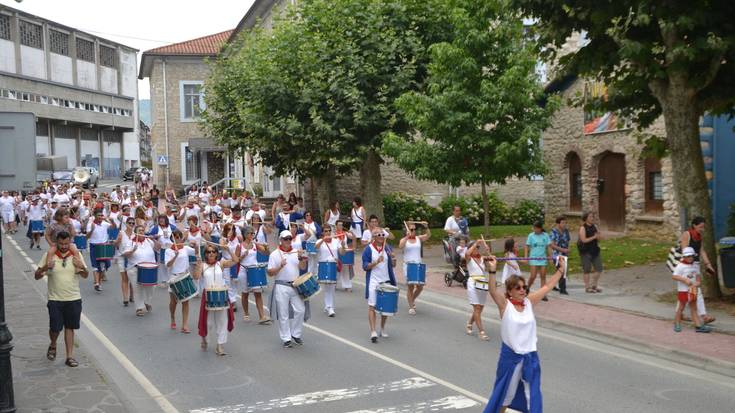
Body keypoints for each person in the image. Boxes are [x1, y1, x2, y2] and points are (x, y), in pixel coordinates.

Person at [483, 256, 567, 413]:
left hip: (530, 357)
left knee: (533, 396)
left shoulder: (529, 302)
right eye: (518, 288)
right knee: (505, 396)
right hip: (510, 358)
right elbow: (493, 290)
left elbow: (548, 286)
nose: (522, 290)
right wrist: (492, 270)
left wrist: (560, 269)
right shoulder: (505, 306)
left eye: (524, 287)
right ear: (509, 292)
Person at [34, 231, 88, 367]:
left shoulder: (76, 255)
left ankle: (69, 356)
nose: (64, 246)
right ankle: (53, 344)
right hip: (55, 299)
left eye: (66, 243)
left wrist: (81, 267)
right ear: (56, 242)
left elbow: (86, 275)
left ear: (70, 242)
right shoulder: (48, 256)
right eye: (61, 243)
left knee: (70, 327)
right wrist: (46, 267)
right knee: (55, 328)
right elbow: (37, 275)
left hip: (73, 298)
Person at [267, 230, 309, 348]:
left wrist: (302, 259)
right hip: (281, 285)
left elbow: (302, 267)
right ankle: (286, 338)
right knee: (283, 313)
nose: (288, 241)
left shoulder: (296, 252)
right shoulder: (274, 254)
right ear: (280, 240)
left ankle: (295, 334)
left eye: (290, 239)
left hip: (295, 285)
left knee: (300, 310)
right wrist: (280, 266)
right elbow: (270, 273)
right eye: (285, 239)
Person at [196, 244, 236, 356]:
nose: (211, 253)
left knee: (222, 321)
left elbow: (235, 260)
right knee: (208, 323)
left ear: (217, 253)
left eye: (213, 251)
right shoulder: (203, 265)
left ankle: (220, 346)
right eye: (208, 252)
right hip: (208, 296)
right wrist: (198, 265)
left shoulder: (221, 263)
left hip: (221, 294)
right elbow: (196, 277)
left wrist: (229, 249)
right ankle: (204, 338)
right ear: (205, 254)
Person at [678, 216, 716, 324]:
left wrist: (708, 264)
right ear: (694, 225)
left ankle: (680, 314)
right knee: (695, 290)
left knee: (685, 290)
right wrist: (690, 266)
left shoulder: (699, 236)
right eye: (700, 227)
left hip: (695, 265)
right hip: (686, 266)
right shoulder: (687, 234)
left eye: (703, 227)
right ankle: (704, 316)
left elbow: (702, 251)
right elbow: (684, 251)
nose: (702, 229)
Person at [362, 227, 397, 343]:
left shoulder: (387, 248)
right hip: (373, 281)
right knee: (372, 306)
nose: (382, 237)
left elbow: (393, 265)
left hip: (386, 280)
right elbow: (365, 266)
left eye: (383, 235)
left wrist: (393, 259)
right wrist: (376, 262)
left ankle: (382, 327)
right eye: (379, 235)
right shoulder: (368, 249)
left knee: (385, 307)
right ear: (374, 237)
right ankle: (373, 331)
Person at [235, 226, 271, 324]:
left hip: (254, 270)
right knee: (245, 293)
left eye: (253, 233)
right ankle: (246, 314)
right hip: (243, 270)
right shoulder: (240, 246)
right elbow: (235, 260)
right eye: (251, 233)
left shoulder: (255, 244)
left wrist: (267, 248)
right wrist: (242, 256)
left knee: (258, 293)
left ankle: (262, 316)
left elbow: (266, 253)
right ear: (246, 235)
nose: (252, 235)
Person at [123, 225, 160, 317]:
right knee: (137, 289)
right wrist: (132, 250)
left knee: (151, 288)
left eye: (143, 230)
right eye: (139, 230)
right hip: (135, 268)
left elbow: (158, 248)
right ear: (135, 232)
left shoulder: (148, 241)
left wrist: (154, 239)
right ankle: (139, 308)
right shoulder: (130, 242)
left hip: (150, 269)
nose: (142, 232)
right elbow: (125, 254)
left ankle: (147, 302)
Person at [672, 247, 712, 333]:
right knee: (681, 308)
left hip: (693, 290)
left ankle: (698, 326)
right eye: (688, 256)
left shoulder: (695, 265)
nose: (690, 258)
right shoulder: (680, 266)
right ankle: (677, 323)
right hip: (683, 290)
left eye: (691, 256)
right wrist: (684, 280)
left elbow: (698, 278)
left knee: (694, 308)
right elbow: (674, 276)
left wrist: (697, 283)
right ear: (684, 257)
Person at [165, 230, 198, 333]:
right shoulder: (168, 251)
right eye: (176, 237)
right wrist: (175, 255)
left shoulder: (186, 248)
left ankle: (184, 325)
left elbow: (196, 253)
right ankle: (172, 318)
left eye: (179, 236)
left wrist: (196, 245)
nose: (178, 238)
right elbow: (168, 265)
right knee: (173, 302)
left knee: (186, 301)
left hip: (185, 276)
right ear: (172, 238)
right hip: (174, 278)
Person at [399, 222, 431, 315]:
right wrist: (406, 237)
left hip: (418, 264)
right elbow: (400, 246)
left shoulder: (418, 238)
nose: (414, 231)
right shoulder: (404, 240)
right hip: (408, 265)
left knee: (420, 287)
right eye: (411, 229)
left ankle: (411, 299)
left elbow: (428, 235)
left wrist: (426, 227)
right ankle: (411, 306)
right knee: (410, 286)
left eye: (414, 229)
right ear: (407, 230)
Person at [465, 238, 491, 341]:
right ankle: (481, 332)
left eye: (478, 247)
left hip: (482, 284)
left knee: (479, 308)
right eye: (476, 247)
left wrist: (488, 253)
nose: (477, 249)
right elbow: (467, 254)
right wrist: (475, 243)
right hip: (473, 283)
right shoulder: (469, 258)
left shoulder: (482, 258)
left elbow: (489, 268)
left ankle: (469, 323)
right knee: (476, 308)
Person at [315, 225, 344, 317]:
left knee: (331, 287)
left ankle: (328, 305)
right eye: (325, 231)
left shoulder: (336, 241)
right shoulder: (320, 241)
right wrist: (323, 239)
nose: (328, 233)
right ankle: (330, 307)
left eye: (329, 231)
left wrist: (343, 246)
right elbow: (316, 247)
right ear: (323, 232)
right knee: (328, 286)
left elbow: (342, 253)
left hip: (334, 266)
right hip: (324, 265)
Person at [86, 209, 116, 292]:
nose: (100, 217)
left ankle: (98, 283)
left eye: (101, 215)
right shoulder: (90, 224)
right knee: (95, 266)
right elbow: (87, 237)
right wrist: (92, 229)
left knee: (103, 266)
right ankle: (97, 283)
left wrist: (112, 221)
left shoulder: (105, 224)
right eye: (99, 215)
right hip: (94, 246)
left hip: (104, 246)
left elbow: (113, 227)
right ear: (95, 216)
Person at [524, 221, 552, 301]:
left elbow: (549, 247)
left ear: (540, 228)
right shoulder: (531, 235)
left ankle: (543, 294)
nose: (534, 230)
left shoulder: (545, 235)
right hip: (533, 258)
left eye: (536, 228)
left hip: (542, 258)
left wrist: (550, 257)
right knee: (533, 276)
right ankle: (527, 288)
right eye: (534, 228)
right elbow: (527, 246)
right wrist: (526, 257)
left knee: (543, 275)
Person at [578, 212, 603, 293]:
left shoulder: (595, 226)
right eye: (590, 217)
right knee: (587, 270)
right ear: (586, 218)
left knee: (599, 268)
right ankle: (587, 287)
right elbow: (584, 240)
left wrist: (599, 236)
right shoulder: (583, 228)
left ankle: (594, 285)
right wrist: (594, 237)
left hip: (595, 250)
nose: (592, 218)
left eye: (593, 216)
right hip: (585, 251)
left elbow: (599, 238)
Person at [549, 216, 570, 295]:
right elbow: (552, 245)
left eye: (565, 223)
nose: (564, 224)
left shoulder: (566, 231)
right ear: (558, 223)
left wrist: (567, 250)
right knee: (562, 270)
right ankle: (562, 288)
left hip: (564, 254)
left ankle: (552, 284)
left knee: (559, 270)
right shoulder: (553, 232)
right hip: (556, 255)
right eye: (563, 223)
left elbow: (568, 241)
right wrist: (562, 250)